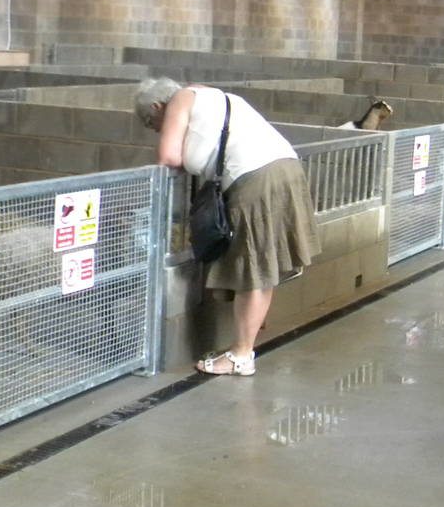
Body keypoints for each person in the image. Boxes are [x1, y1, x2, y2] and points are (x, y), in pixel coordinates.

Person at [136, 77, 322, 376]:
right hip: (284, 167)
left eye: (152, 123)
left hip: (256, 178)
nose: (156, 129)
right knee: (262, 268)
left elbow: (168, 156)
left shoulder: (181, 99)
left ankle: (240, 356)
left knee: (252, 270)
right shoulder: (209, 95)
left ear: (159, 106)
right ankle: (243, 346)